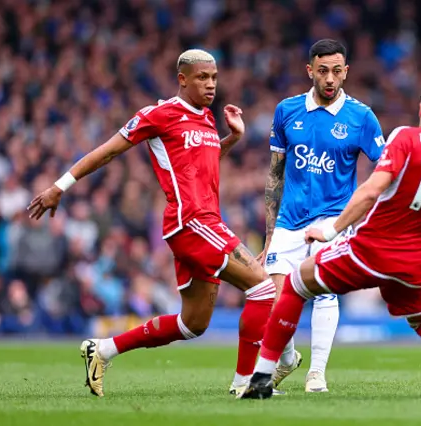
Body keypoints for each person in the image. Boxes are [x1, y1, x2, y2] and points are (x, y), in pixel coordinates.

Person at [27, 49, 276, 397]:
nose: (210, 84)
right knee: (263, 288)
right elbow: (109, 149)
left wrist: (231, 139)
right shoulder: (159, 114)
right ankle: (245, 385)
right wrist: (59, 186)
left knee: (192, 324)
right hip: (192, 222)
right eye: (202, 77)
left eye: (214, 78)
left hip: (201, 223)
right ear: (182, 79)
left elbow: (200, 162)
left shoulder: (205, 119)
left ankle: (102, 350)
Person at [241, 79, 421, 400]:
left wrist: (331, 231)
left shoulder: (406, 136)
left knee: (295, 284)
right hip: (416, 269)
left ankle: (262, 378)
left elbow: (373, 188)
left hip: (371, 251)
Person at [256, 39, 385, 393]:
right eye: (323, 70)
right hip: (289, 221)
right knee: (275, 300)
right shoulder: (287, 111)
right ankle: (287, 359)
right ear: (310, 70)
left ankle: (317, 373)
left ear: (346, 73)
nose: (330, 78)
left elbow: (385, 169)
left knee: (324, 292)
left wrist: (361, 212)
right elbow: (274, 175)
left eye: (337, 71)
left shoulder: (361, 117)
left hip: (333, 222)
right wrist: (270, 234)